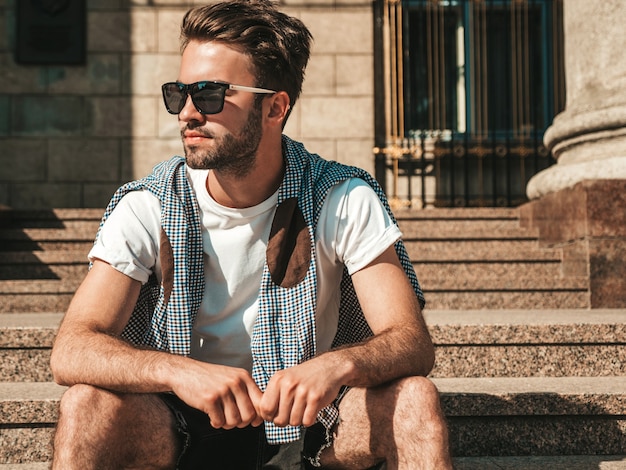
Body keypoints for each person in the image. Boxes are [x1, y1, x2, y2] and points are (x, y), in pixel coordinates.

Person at [50, 1, 453, 468]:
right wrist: (179, 373)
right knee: (85, 404)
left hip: (314, 422)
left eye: (210, 96)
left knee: (415, 400)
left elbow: (411, 341)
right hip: (181, 422)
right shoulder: (149, 205)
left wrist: (337, 365)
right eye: (178, 94)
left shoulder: (341, 197)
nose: (187, 114)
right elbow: (73, 348)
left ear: (275, 107)